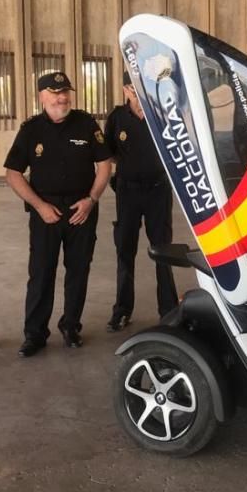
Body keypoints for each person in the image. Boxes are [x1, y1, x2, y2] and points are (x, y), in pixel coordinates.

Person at [4, 72, 112, 356]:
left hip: (82, 210)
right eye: (54, 93)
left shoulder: (87, 124)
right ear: (41, 96)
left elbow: (104, 165)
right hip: (45, 212)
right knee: (40, 272)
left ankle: (71, 326)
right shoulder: (31, 130)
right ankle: (34, 334)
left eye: (65, 92)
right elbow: (13, 173)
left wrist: (91, 199)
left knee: (78, 271)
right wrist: (39, 206)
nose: (61, 98)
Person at [104, 72, 179, 332]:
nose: (139, 96)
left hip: (158, 193)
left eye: (144, 89)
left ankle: (168, 310)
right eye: (134, 90)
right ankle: (122, 310)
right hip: (128, 193)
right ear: (126, 90)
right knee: (125, 251)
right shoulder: (116, 118)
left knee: (163, 251)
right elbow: (109, 153)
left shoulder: (163, 115)